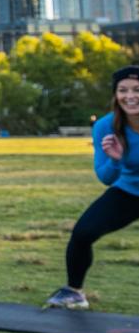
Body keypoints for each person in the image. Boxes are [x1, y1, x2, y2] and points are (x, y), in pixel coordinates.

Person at [46, 65, 139, 309]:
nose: (130, 96)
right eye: (123, 90)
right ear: (115, 95)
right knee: (82, 234)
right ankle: (73, 292)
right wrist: (116, 160)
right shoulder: (105, 127)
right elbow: (106, 178)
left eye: (137, 90)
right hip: (130, 190)